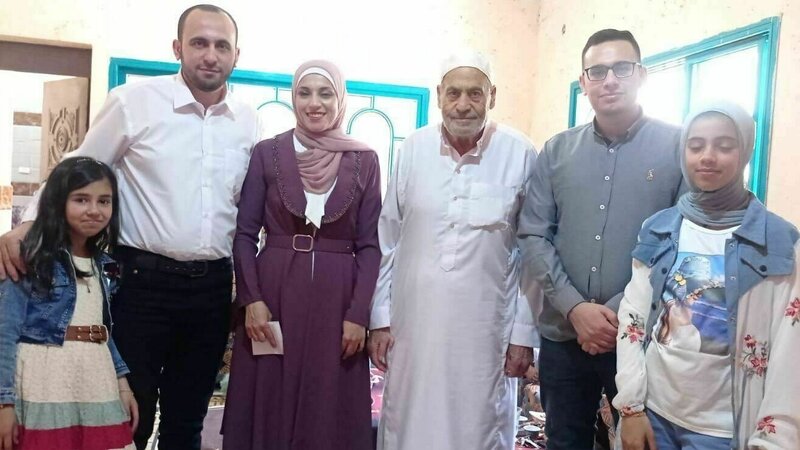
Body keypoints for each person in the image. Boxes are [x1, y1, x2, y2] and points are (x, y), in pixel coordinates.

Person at [0, 5, 258, 449]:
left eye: (222, 45)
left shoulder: (248, 120)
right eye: (199, 43)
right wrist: (28, 226)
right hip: (141, 283)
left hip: (212, 288)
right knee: (130, 414)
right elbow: (78, 167)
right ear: (177, 48)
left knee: (188, 420)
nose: (210, 55)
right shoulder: (134, 102)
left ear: (237, 54)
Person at [517, 29, 685, 450]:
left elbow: (681, 243)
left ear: (641, 75)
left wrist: (616, 313)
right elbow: (534, 233)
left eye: (621, 68)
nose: (609, 80)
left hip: (643, 339)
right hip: (564, 335)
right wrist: (575, 308)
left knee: (643, 444)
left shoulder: (677, 148)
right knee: (564, 441)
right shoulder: (557, 151)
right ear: (583, 82)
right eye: (597, 71)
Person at [368, 50, 541, 450]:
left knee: (478, 427)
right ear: (439, 95)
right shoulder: (413, 149)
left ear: (492, 96)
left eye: (475, 93)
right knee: (409, 423)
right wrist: (380, 318)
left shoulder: (520, 153)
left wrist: (523, 333)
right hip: (413, 329)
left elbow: (532, 252)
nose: (463, 105)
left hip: (486, 334)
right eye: (454, 93)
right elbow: (387, 240)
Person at [614, 101, 800, 450]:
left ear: (746, 150)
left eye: (724, 146)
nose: (708, 157)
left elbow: (792, 351)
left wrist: (773, 440)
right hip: (654, 414)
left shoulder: (779, 243)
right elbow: (634, 318)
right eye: (696, 145)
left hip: (725, 430)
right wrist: (631, 408)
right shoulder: (659, 228)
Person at [221, 60, 381, 449]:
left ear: (340, 99)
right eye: (304, 93)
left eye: (325, 93)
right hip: (273, 292)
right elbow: (245, 234)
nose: (314, 103)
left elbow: (371, 245)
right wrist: (251, 299)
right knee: (270, 393)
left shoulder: (365, 159)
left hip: (337, 298)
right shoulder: (267, 153)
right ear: (294, 98)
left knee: (329, 399)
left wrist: (359, 315)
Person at [0, 157, 138, 450]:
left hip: (95, 375)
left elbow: (102, 329)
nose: (94, 210)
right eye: (81, 199)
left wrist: (122, 382)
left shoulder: (105, 265)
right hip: (44, 377)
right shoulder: (30, 258)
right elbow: (5, 333)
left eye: (104, 201)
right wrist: (4, 403)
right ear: (57, 202)